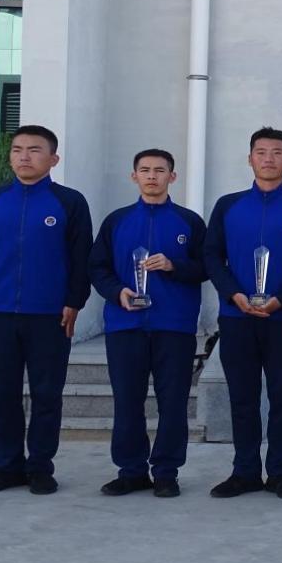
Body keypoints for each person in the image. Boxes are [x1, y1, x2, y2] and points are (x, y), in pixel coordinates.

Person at [0, 125, 93, 495]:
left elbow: (81, 257)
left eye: (35, 150)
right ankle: (6, 466)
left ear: (53, 159)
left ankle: (40, 466)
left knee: (46, 394)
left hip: (49, 316)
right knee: (2, 393)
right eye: (17, 149)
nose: (24, 156)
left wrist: (74, 302)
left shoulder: (69, 202)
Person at [204, 127, 282, 500]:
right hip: (236, 317)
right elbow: (211, 256)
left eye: (277, 152)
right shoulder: (228, 205)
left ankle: (281, 473)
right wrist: (234, 294)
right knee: (243, 397)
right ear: (250, 158)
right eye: (261, 152)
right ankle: (245, 471)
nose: (268, 158)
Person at [89, 149, 207, 498]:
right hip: (125, 325)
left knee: (173, 402)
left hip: (175, 326)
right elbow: (97, 267)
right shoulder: (116, 221)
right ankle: (131, 471)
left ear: (173, 176)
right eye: (145, 170)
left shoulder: (189, 222)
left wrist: (174, 266)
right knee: (127, 401)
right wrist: (117, 292)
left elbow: (206, 268)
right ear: (134, 176)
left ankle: (167, 472)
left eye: (160, 170)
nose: (152, 176)